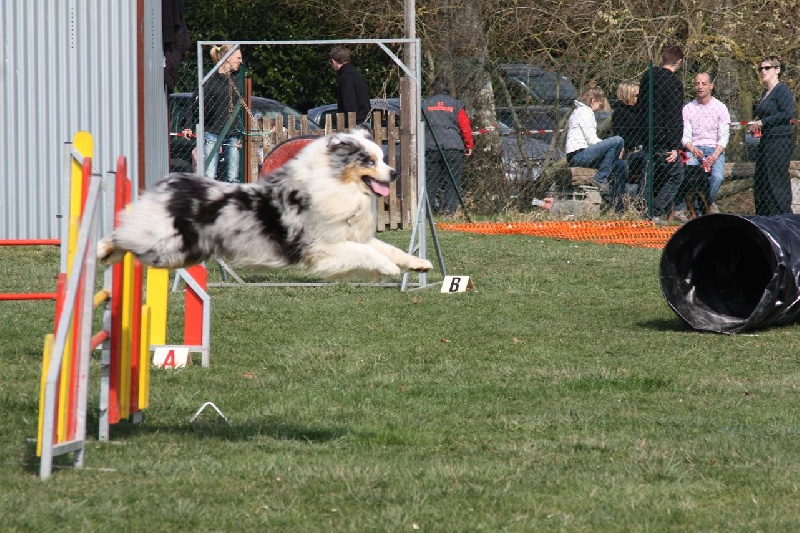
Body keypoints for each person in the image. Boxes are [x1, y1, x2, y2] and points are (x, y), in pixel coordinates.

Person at [636, 44, 686, 221]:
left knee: (648, 175)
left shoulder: (648, 77)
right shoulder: (674, 83)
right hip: (665, 139)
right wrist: (674, 145)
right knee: (676, 176)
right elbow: (673, 116)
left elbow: (641, 107)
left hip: (648, 135)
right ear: (679, 61)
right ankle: (655, 211)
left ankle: (641, 210)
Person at [182, 45, 244, 183]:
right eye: (238, 58)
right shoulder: (210, 79)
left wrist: (242, 132)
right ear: (228, 58)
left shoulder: (239, 80)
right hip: (212, 132)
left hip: (233, 133)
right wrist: (188, 125)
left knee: (233, 177)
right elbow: (193, 103)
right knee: (209, 176)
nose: (240, 61)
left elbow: (244, 109)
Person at [564, 83, 628, 211]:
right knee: (618, 140)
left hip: (585, 153)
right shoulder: (584, 111)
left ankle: (617, 207)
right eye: (599, 104)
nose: (599, 108)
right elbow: (592, 140)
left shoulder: (580, 111)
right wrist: (613, 147)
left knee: (620, 165)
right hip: (579, 155)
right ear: (593, 100)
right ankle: (600, 179)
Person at [422, 78, 474, 215]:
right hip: (453, 147)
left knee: (430, 181)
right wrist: (469, 145)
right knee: (452, 180)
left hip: (431, 147)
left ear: (433, 89)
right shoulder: (456, 104)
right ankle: (449, 211)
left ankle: (428, 212)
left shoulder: (425, 104)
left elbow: (419, 124)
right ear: (448, 89)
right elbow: (465, 127)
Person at [751, 56, 795, 216]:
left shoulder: (781, 90)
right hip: (766, 141)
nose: (763, 71)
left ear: (777, 70)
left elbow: (788, 113)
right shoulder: (765, 93)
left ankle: (783, 219)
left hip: (779, 141)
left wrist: (764, 121)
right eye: (761, 68)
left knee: (775, 182)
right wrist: (758, 125)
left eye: (767, 68)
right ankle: (764, 219)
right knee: (762, 182)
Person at [681, 72, 731, 215]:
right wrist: (692, 148)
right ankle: (693, 210)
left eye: (703, 84)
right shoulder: (688, 108)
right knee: (689, 174)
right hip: (693, 150)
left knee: (717, 177)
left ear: (711, 86)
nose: (700, 87)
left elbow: (724, 136)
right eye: (697, 83)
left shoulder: (720, 108)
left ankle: (705, 205)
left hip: (715, 150)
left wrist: (714, 155)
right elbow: (685, 136)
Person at [611, 79, 646, 190]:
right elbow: (621, 139)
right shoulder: (620, 113)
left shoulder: (640, 111)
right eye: (636, 95)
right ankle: (643, 198)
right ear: (628, 95)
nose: (639, 98)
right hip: (632, 152)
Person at [330, 45, 371, 127]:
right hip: (365, 122)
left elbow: (350, 105)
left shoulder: (345, 77)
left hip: (355, 124)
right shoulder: (357, 74)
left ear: (334, 61)